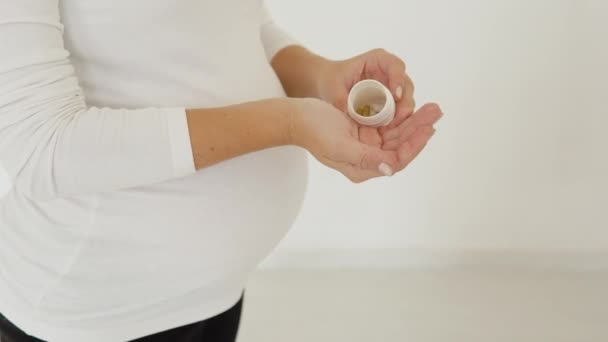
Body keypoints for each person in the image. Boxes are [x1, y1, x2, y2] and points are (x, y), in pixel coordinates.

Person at [0, 1, 443, 341]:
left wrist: (322, 77)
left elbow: (241, 24)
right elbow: (40, 146)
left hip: (213, 294)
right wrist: (288, 122)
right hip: (97, 314)